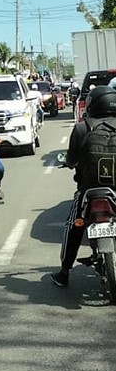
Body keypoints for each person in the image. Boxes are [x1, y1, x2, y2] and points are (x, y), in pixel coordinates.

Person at [52, 85, 116, 287]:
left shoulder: (82, 127)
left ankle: (64, 272)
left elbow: (71, 159)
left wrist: (70, 163)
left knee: (74, 225)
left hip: (89, 189)